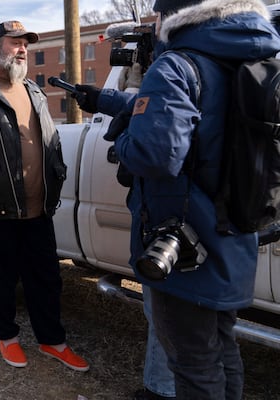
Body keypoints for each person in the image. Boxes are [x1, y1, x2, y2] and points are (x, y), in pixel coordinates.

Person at [73, 0, 280, 398]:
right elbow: (193, 113)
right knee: (221, 351)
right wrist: (106, 100)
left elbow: (155, 153)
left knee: (193, 365)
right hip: (233, 240)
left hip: (186, 251)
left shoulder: (175, 64)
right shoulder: (244, 60)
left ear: (173, 16)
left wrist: (123, 136)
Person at [0, 20, 89, 372]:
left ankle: (52, 341)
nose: (22, 49)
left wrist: (56, 179)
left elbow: (50, 146)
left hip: (38, 212)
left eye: (26, 44)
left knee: (47, 281)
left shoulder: (35, 93)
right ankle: (7, 338)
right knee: (0, 283)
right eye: (14, 42)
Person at [119, 63, 177, 400]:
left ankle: (159, 390)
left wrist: (124, 134)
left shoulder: (173, 71)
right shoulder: (236, 67)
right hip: (215, 226)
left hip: (167, 224)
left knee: (164, 313)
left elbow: (146, 152)